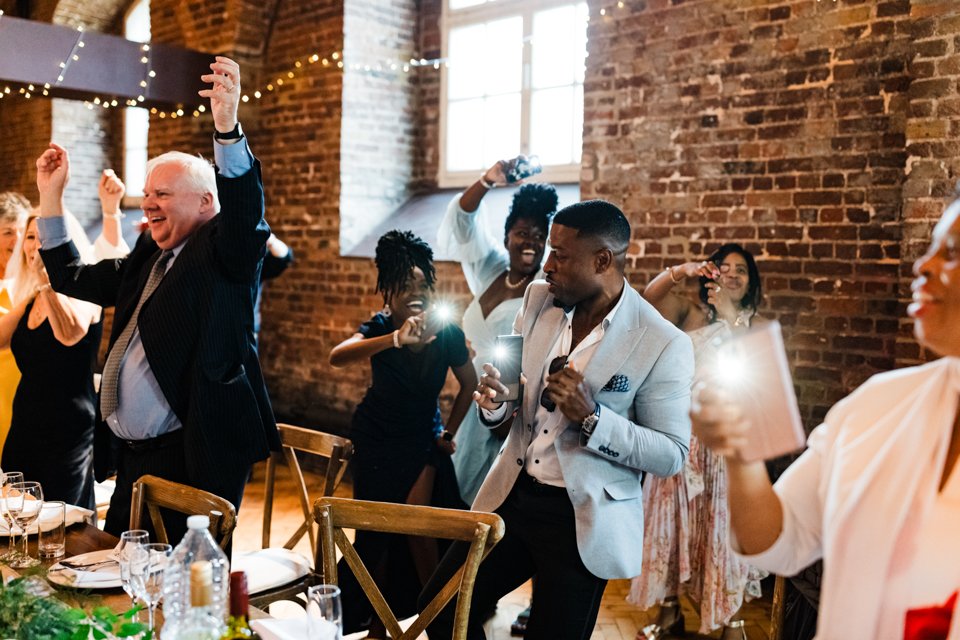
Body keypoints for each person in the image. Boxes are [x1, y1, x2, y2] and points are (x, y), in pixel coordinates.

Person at [421, 200, 695, 640]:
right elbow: (508, 403)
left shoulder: (662, 342)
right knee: (439, 608)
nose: (546, 265)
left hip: (582, 519)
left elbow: (671, 454)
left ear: (602, 259)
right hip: (511, 498)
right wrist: (493, 403)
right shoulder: (537, 300)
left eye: (561, 255)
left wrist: (593, 418)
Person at [690, 196, 960, 639]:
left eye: (952, 252)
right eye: (930, 247)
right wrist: (741, 457)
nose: (924, 266)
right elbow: (775, 541)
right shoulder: (875, 405)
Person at [36, 56, 279, 540]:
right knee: (118, 579)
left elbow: (247, 214)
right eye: (147, 193)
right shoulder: (151, 250)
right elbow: (73, 278)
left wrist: (227, 128)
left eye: (163, 194)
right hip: (133, 461)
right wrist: (50, 198)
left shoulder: (224, 252)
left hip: (194, 455)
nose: (147, 203)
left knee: (185, 597)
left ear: (206, 203)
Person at [329, 229, 476, 637]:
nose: (416, 292)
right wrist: (393, 339)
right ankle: (379, 622)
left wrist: (449, 431)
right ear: (387, 291)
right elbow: (337, 357)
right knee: (376, 534)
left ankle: (437, 621)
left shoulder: (447, 334)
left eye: (422, 283)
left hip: (421, 437)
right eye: (404, 284)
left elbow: (470, 383)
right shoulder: (379, 327)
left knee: (418, 530)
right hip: (376, 438)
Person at [629, 243, 765, 638]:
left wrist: (729, 316)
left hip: (725, 442)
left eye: (742, 269)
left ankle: (728, 616)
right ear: (712, 275)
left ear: (751, 280)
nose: (733, 274)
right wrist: (683, 269)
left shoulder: (758, 325)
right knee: (672, 526)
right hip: (682, 436)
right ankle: (669, 611)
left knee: (720, 530)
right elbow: (645, 302)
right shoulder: (687, 312)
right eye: (724, 267)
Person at [436, 160, 557, 505]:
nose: (530, 242)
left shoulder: (544, 291)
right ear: (506, 237)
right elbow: (462, 221)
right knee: (454, 493)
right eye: (522, 233)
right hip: (469, 397)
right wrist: (488, 180)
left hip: (507, 402)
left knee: (487, 499)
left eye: (538, 236)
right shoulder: (489, 269)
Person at [0, 193, 28, 460]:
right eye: (8, 231)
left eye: (23, 231)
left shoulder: (29, 282)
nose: (17, 239)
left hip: (24, 390)